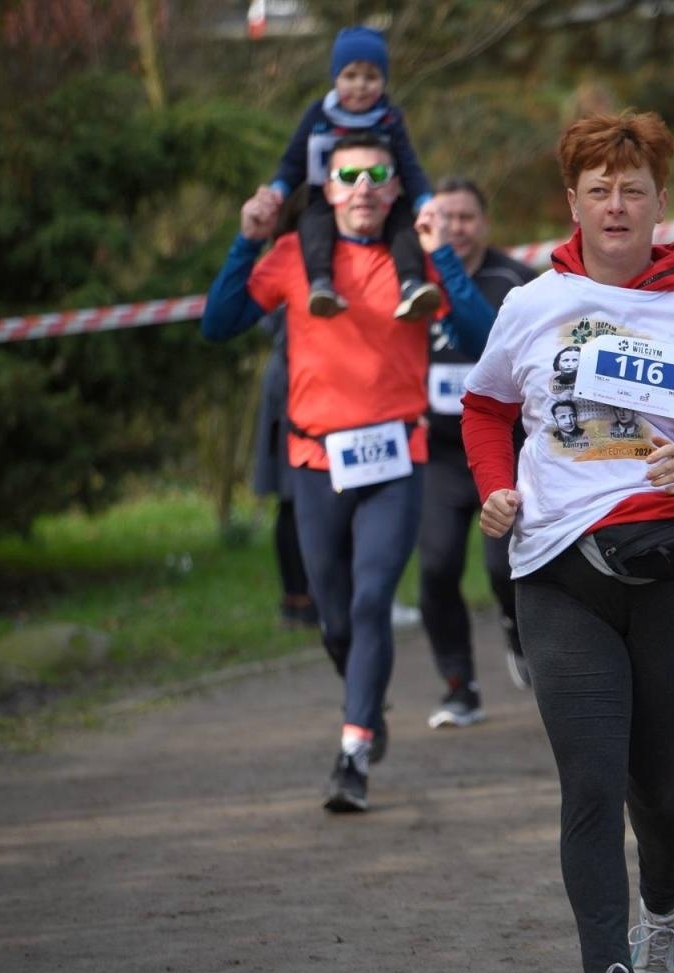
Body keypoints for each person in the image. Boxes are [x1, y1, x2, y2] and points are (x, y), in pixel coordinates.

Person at [461, 111, 674, 973]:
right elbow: (484, 408)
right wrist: (498, 489)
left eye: (632, 189)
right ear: (573, 204)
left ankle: (665, 900)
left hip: (670, 565)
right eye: (598, 189)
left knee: (655, 783)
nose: (616, 204)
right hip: (556, 567)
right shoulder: (528, 305)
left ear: (659, 204)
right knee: (590, 780)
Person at [203, 133, 477, 813]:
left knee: (370, 598)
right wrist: (247, 241)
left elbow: (482, 335)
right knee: (333, 620)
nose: (362, 187)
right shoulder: (297, 257)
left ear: (394, 189)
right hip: (315, 463)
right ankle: (366, 702)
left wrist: (441, 249)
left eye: (376, 175)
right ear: (328, 189)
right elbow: (218, 322)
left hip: (394, 459)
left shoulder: (414, 261)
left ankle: (352, 752)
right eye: (348, 176)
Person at [416, 176, 537, 729]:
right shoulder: (407, 275)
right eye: (445, 218)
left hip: (504, 447)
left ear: (485, 224)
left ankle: (519, 630)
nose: (455, 229)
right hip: (439, 455)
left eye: (465, 218)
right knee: (437, 568)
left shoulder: (514, 281)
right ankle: (459, 686)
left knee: (502, 567)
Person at [257, 26, 438, 321]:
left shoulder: (390, 119)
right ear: (335, 78)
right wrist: (278, 189)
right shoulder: (318, 115)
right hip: (324, 196)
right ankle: (320, 284)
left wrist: (425, 201)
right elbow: (293, 162)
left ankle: (410, 284)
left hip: (380, 200)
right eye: (351, 76)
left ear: (383, 81)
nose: (360, 86)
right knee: (313, 224)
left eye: (371, 77)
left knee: (405, 224)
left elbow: (408, 166)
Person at [250, 310, 319, 628]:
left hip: (296, 381)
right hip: (295, 387)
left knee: (293, 499)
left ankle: (300, 598)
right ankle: (299, 598)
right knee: (293, 498)